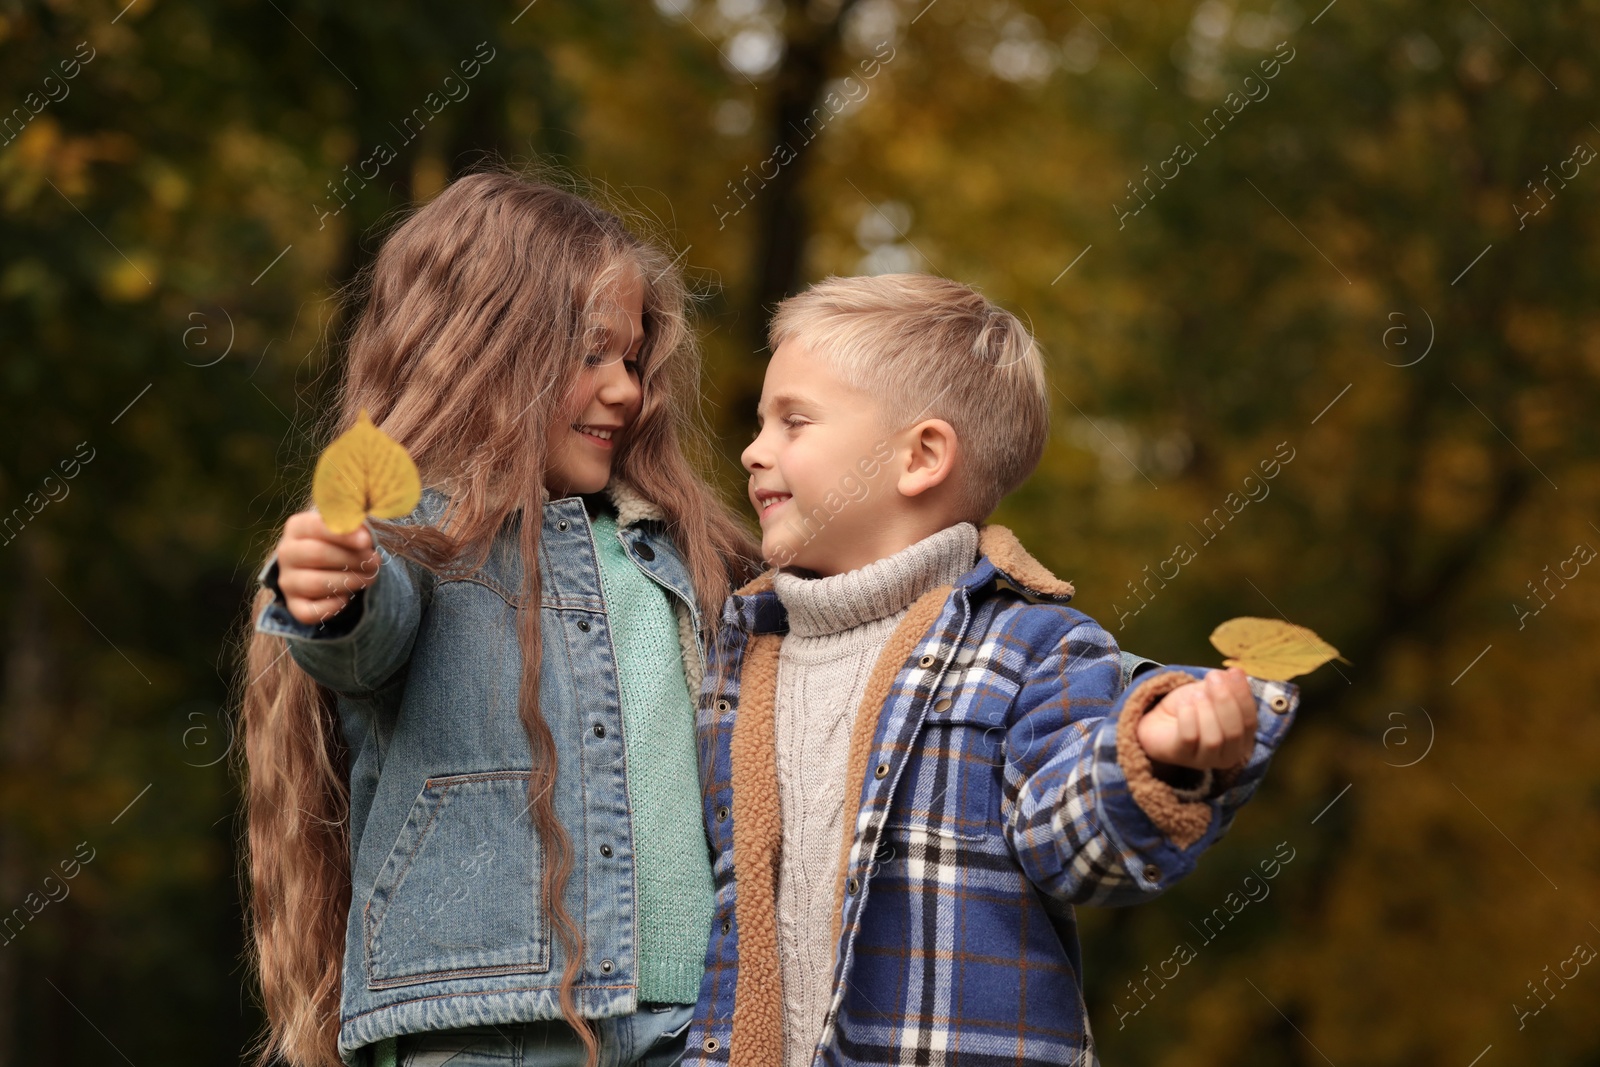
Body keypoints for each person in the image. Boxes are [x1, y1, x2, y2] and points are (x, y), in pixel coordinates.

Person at [682, 274, 1301, 1067]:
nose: (753, 448)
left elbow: (1073, 836)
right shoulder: (741, 646)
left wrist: (1156, 751)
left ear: (922, 456)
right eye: (762, 421)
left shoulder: (1032, 646)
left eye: (793, 421)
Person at [239, 171, 758, 1067]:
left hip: (690, 1017)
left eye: (632, 360)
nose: (627, 390)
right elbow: (364, 633)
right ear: (486, 347)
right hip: (491, 1016)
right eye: (593, 355)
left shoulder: (671, 545)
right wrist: (328, 586)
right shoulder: (421, 539)